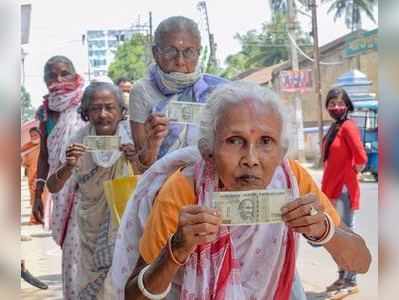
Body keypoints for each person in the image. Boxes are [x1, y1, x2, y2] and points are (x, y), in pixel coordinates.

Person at [111, 81, 371, 300]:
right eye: (235, 141)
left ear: (281, 152)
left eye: (266, 142)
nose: (251, 159)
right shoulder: (184, 189)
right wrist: (176, 249)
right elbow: (133, 295)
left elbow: (361, 262)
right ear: (208, 152)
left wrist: (324, 231)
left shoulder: (292, 179)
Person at [46, 82, 138, 298]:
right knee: (94, 286)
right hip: (91, 229)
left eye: (109, 107)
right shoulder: (78, 140)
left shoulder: (131, 138)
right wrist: (69, 165)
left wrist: (136, 159)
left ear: (121, 111)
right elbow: (53, 186)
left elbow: (148, 178)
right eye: (95, 108)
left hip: (127, 225)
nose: (103, 114)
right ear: (86, 112)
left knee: (125, 282)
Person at [129, 16, 226, 172]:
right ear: (155, 52)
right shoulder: (142, 91)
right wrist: (152, 144)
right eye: (171, 51)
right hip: (161, 186)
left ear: (199, 52)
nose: (180, 61)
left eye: (189, 52)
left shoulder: (214, 91)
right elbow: (142, 167)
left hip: (207, 182)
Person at [32, 55, 86, 298]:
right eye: (51, 76)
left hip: (93, 188)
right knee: (72, 254)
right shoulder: (45, 113)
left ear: (75, 75)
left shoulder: (89, 102)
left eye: (64, 73)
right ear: (44, 81)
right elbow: (44, 155)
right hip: (61, 189)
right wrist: (37, 194)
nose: (59, 80)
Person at [321, 87, 368, 298]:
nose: (336, 107)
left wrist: (349, 177)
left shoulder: (348, 126)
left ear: (347, 105)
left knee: (347, 234)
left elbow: (361, 158)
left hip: (343, 190)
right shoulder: (335, 128)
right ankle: (342, 277)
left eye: (340, 104)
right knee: (336, 236)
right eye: (331, 104)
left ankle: (351, 281)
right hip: (330, 190)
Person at [21, 127, 47, 224]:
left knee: (44, 197)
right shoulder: (27, 147)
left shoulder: (45, 146)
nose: (33, 137)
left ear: (40, 135)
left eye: (35, 135)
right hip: (32, 177)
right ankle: (35, 218)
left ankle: (44, 217)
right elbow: (23, 162)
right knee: (33, 198)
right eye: (31, 136)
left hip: (43, 176)